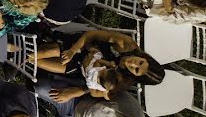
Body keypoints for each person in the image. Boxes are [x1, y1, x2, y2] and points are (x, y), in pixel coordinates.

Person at [34, 29, 164, 86]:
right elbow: (92, 34)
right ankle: (16, 51)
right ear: (145, 57)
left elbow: (101, 90)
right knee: (48, 52)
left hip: (82, 68)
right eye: (140, 62)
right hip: (83, 45)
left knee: (38, 61)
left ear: (135, 76)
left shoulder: (125, 80)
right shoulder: (127, 44)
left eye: (136, 70)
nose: (134, 64)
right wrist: (73, 51)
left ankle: (18, 54)